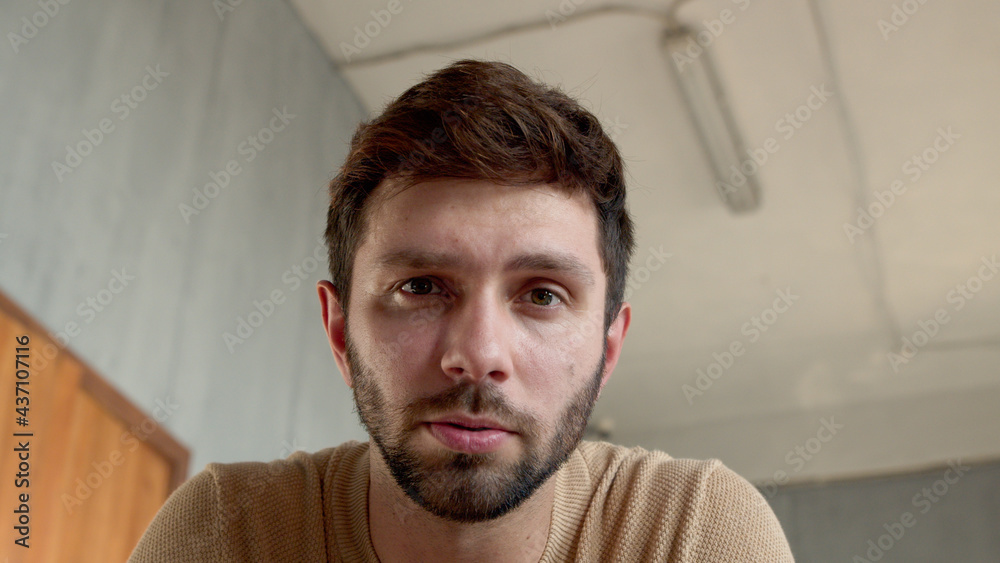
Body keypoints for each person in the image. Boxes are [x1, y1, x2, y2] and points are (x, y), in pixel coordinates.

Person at [129, 59, 794, 562]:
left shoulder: (696, 533)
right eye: (420, 287)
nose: (478, 354)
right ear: (338, 330)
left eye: (541, 295)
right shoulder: (223, 533)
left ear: (607, 347)